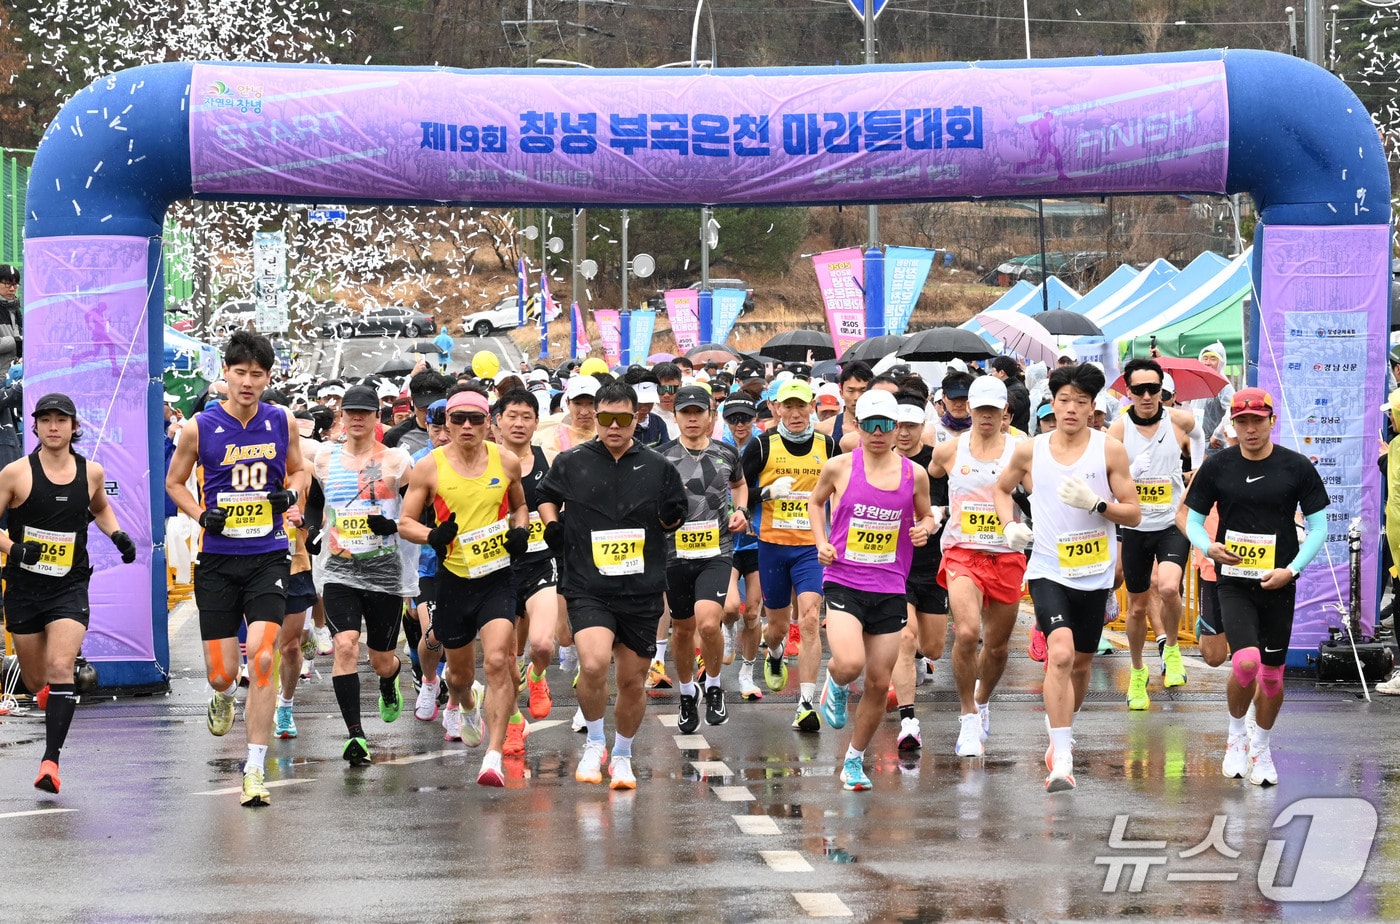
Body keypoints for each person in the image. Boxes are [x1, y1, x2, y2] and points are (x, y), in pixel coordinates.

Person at [166, 331, 308, 807]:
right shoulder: (199, 428)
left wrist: (290, 496)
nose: (248, 382)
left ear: (268, 378)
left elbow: (300, 470)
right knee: (223, 673)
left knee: (263, 658)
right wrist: (201, 514)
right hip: (219, 561)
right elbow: (175, 482)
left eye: (258, 374)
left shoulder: (280, 420)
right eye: (240, 372)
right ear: (224, 373)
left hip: (267, 555)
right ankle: (223, 695)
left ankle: (254, 767)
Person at [993, 361, 1140, 792]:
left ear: (1093, 408)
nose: (1071, 409)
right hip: (1047, 569)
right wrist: (1009, 525)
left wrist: (1098, 505)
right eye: (1063, 401)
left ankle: (1062, 729)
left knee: (1080, 663)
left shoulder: (1108, 450)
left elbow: (1133, 511)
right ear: (1051, 404)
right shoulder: (1029, 450)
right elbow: (1002, 490)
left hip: (1094, 573)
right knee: (1059, 654)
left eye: (1080, 402)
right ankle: (1062, 758)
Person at [537, 381, 687, 789]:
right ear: (597, 419)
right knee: (593, 663)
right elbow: (545, 495)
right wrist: (552, 524)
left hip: (641, 588)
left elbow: (675, 518)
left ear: (636, 419)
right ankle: (595, 742)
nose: (615, 427)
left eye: (624, 419)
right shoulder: (572, 461)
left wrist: (673, 516)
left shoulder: (658, 466)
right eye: (607, 419)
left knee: (632, 681)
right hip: (589, 585)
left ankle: (622, 754)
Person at [1184, 388, 1329, 786]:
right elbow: (1192, 521)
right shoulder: (1218, 466)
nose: (1250, 429)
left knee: (1271, 677)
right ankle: (1235, 737)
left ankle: (1261, 747)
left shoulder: (1296, 467)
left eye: (1257, 420)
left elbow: (1319, 528)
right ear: (1232, 423)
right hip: (1233, 580)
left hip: (1278, 582)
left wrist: (1292, 570)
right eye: (1242, 421)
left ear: (1271, 421)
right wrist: (1207, 546)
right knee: (1245, 663)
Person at [0, 393, 137, 793]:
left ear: (75, 427)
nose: (54, 426)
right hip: (24, 588)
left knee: (62, 667)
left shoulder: (91, 472)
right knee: (34, 678)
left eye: (62, 419)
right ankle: (46, 691)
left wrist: (118, 535)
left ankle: (50, 762)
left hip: (69, 585)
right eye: (46, 420)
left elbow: (98, 508)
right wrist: (14, 548)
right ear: (36, 426)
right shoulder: (15, 474)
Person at [399, 385, 530, 787]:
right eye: (459, 419)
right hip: (454, 579)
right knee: (457, 676)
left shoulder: (506, 462)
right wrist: (433, 537)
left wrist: (520, 532)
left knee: (496, 661)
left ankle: (492, 756)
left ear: (488, 423)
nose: (468, 426)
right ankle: (468, 705)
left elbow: (520, 505)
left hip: (497, 578)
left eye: (476, 418)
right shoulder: (430, 467)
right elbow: (406, 522)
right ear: (446, 424)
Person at [809, 390, 936, 790]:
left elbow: (927, 514)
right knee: (849, 663)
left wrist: (924, 529)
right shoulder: (839, 467)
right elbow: (815, 503)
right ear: (858, 427)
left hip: (890, 585)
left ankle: (854, 759)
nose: (878, 433)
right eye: (870, 425)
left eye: (886, 425)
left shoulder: (913, 473)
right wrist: (820, 541)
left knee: (881, 682)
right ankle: (835, 680)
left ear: (897, 428)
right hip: (845, 578)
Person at [310, 385, 419, 767]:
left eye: (365, 412)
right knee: (345, 646)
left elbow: (420, 507)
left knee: (380, 659)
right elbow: (314, 503)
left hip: (385, 574)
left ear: (377, 417)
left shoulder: (396, 462)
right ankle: (355, 735)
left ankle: (391, 679)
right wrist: (311, 530)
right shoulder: (324, 460)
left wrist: (391, 524)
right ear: (341, 416)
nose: (357, 418)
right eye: (350, 411)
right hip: (340, 570)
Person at [930, 376, 1029, 757]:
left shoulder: (1021, 451)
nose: (986, 416)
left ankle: (982, 699)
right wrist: (934, 513)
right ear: (968, 409)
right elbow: (929, 481)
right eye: (979, 408)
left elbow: (1040, 493)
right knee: (968, 632)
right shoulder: (949, 451)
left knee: (999, 648)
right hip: (962, 552)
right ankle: (968, 715)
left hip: (1006, 555)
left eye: (993, 409)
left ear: (1006, 411)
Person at [1107, 359, 1204, 709]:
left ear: (1163, 390)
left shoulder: (1179, 419)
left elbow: (1199, 434)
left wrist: (1197, 470)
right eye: (1139, 390)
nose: (1148, 396)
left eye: (1154, 389)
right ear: (1128, 392)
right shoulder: (1118, 430)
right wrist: (1129, 473)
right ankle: (1137, 672)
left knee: (1167, 586)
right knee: (1136, 608)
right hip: (1135, 526)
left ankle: (1173, 649)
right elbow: (1105, 475)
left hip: (1170, 523)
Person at [744, 378, 836, 731]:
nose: (796, 414)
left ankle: (806, 704)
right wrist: (765, 492)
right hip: (772, 548)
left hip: (811, 548)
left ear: (812, 406)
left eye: (802, 406)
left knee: (811, 618)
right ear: (776, 408)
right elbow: (735, 490)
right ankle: (775, 651)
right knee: (778, 627)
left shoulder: (827, 445)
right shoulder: (762, 446)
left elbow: (841, 490)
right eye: (789, 406)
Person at [658, 386, 749, 731]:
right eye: (685, 412)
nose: (692, 418)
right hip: (674, 555)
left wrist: (739, 510)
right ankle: (686, 693)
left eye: (699, 411)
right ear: (676, 416)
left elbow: (740, 486)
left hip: (717, 551)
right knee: (682, 630)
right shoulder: (660, 457)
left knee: (709, 622)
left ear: (712, 415)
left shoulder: (727, 453)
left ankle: (713, 686)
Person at [494, 388, 560, 735]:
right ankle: (515, 718)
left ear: (536, 422)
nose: (519, 423)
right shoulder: (486, 461)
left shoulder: (548, 459)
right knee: (504, 657)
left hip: (540, 563)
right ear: (498, 421)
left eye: (526, 417)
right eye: (512, 416)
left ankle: (537, 675)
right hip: (498, 569)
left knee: (541, 644)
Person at [889, 389, 949, 751]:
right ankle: (908, 719)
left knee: (933, 647)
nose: (905, 433)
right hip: (895, 568)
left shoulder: (933, 465)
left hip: (931, 565)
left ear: (922, 426)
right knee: (906, 637)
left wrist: (935, 518)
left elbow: (948, 504)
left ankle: (905, 663)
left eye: (911, 426)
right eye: (898, 426)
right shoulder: (882, 462)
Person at [720, 396, 765, 702]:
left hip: (758, 537)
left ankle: (747, 674)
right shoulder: (718, 448)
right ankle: (727, 632)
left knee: (752, 612)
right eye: (734, 418)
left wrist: (760, 496)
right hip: (725, 538)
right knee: (729, 607)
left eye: (745, 418)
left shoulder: (763, 447)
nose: (739, 424)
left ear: (753, 419)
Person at [816, 361, 872, 452]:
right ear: (841, 393)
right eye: (851, 391)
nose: (857, 397)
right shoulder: (823, 430)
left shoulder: (884, 430)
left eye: (863, 391)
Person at [543, 374, 599, 453]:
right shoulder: (555, 441)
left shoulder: (611, 437)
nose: (584, 412)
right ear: (567, 403)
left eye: (591, 403)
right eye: (578, 404)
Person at [990, 356, 1031, 434]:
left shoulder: (1016, 392)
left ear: (1001, 373)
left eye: (994, 371)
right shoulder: (1008, 388)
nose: (992, 374)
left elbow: (1008, 415)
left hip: (1015, 436)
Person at [0, 263, 22, 372]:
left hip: (12, 373)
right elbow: (17, 339)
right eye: (8, 284)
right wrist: (15, 341)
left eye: (16, 284)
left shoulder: (15, 309)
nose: (13, 289)